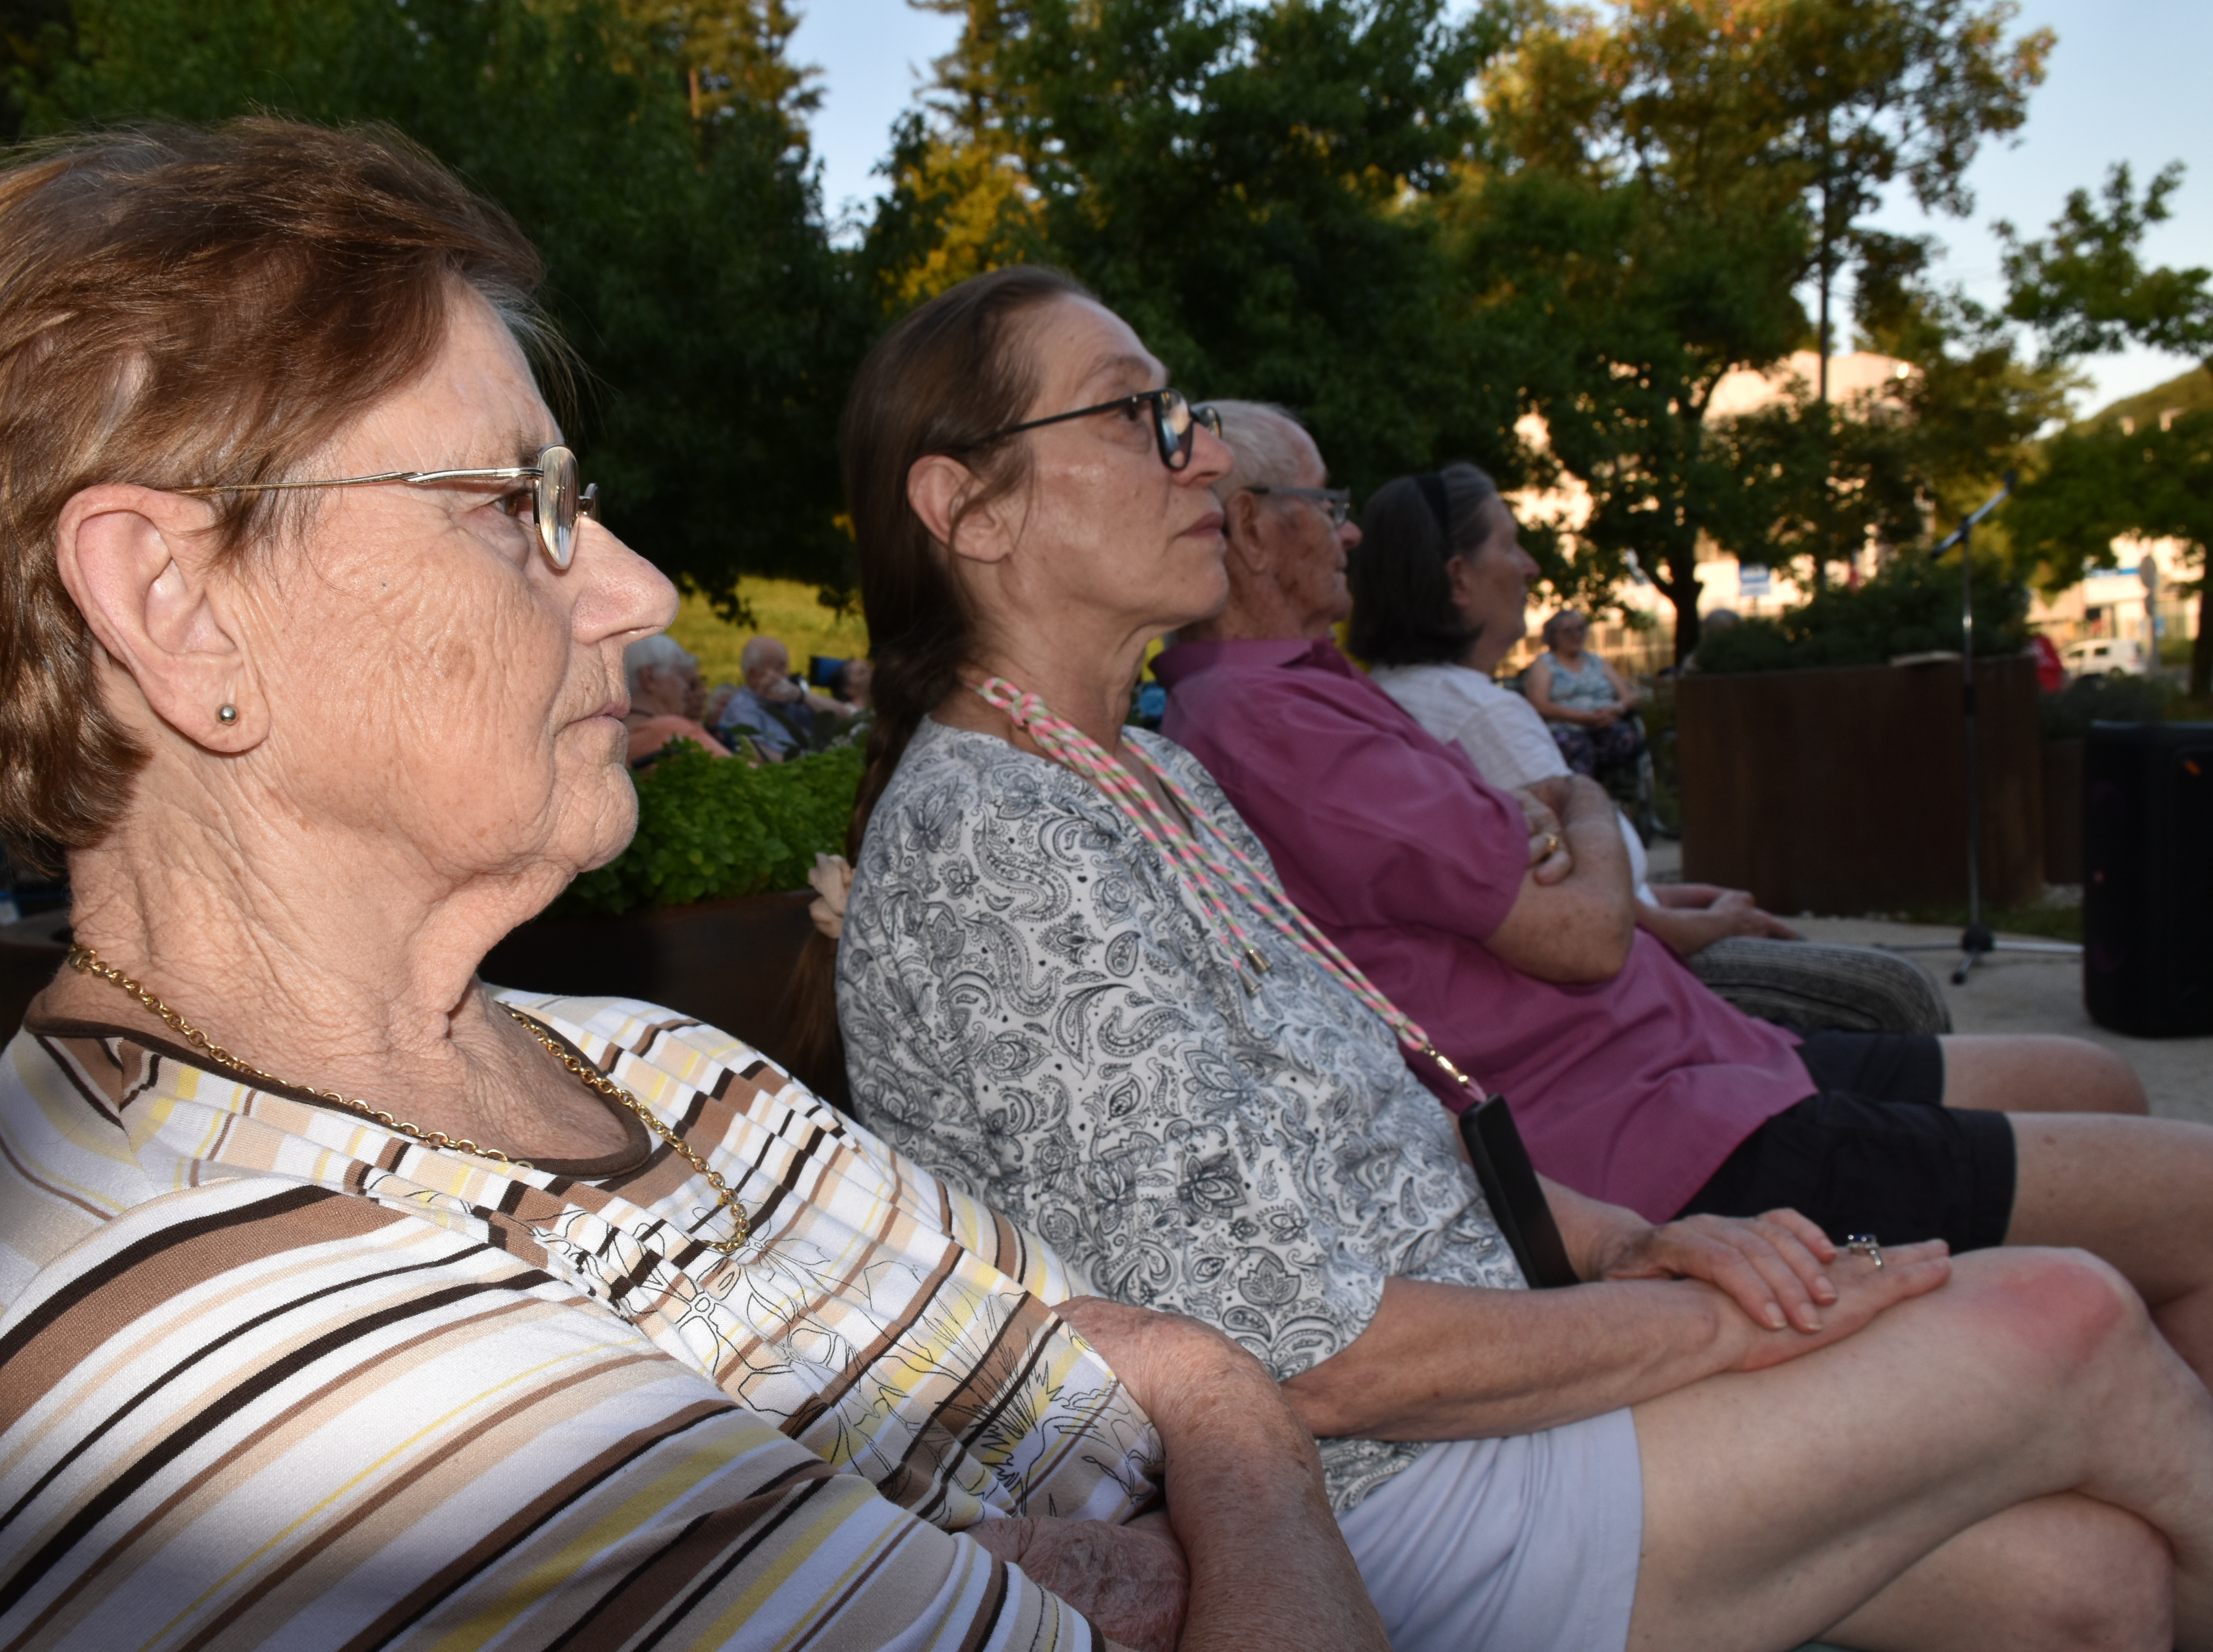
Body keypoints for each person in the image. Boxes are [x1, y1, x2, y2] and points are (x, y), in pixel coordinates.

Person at [0, 123, 1389, 1652]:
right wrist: (1227, 1418)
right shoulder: (223, 1349)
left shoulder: (652, 1061)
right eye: (514, 505)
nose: (637, 590)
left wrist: (1189, 1444)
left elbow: (1141, 1418)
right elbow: (1148, 1399)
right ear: (174, 607)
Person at [830, 266, 2213, 1652]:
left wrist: (1644, 1241)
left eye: (1177, 409)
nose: (1198, 452)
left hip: (1483, 1371)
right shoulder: (993, 834)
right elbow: (1305, 1353)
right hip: (1356, 1497)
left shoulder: (1147, 777)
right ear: (969, 508)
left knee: (2080, 1585)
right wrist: (1714, 1324)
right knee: (2064, 1314)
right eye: (1135, 415)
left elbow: (1398, 1124)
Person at [1155, 406, 2213, 1387]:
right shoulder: (1272, 723)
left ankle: (2128, 1420)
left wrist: (1560, 832)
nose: (1347, 535)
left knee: (2096, 1080)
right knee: (2191, 1200)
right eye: (1327, 507)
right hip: (1655, 1133)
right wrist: (1572, 791)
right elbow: (1581, 933)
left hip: (1705, 1059)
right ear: (1250, 527)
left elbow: (1561, 884)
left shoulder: (1307, 693)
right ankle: (2123, 1427)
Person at [1356, 468, 1873, 964]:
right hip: (1643, 978)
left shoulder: (1391, 693)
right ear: (1459, 579)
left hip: (1623, 951)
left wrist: (1666, 898)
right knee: (1888, 987)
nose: (1531, 565)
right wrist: (1723, 923)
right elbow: (1596, 919)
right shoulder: (1482, 716)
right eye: (1509, 545)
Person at [1526, 607, 1645, 776]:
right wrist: (1584, 718)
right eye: (1568, 631)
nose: (1576, 635)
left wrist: (1616, 709)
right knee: (1580, 750)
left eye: (1580, 628)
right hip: (1565, 727)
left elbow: (1630, 697)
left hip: (1604, 724)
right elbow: (1539, 704)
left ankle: (1615, 791)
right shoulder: (1545, 664)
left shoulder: (1596, 661)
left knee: (1629, 741)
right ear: (1553, 636)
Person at [715, 636, 841, 759]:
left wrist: (802, 696)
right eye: (780, 667)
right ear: (754, 675)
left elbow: (845, 718)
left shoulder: (790, 698)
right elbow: (756, 755)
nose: (788, 674)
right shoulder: (741, 707)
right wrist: (807, 766)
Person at [621, 634, 734, 764]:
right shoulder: (673, 731)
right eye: (679, 675)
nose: (685, 688)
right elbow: (745, 772)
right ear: (649, 679)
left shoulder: (612, 739)